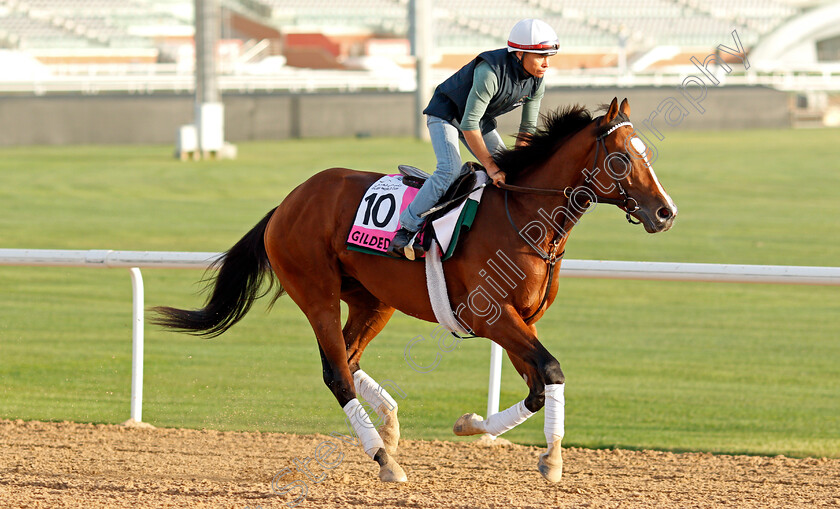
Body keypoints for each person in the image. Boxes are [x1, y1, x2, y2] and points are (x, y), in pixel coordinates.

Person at [386, 18, 559, 260]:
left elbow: (527, 127)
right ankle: (406, 229)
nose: (546, 64)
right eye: (540, 57)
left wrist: (519, 165)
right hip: (446, 114)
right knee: (449, 170)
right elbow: (468, 125)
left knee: (509, 171)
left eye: (549, 56)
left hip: (479, 121)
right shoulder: (489, 72)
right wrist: (490, 166)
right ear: (519, 54)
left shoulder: (537, 79)